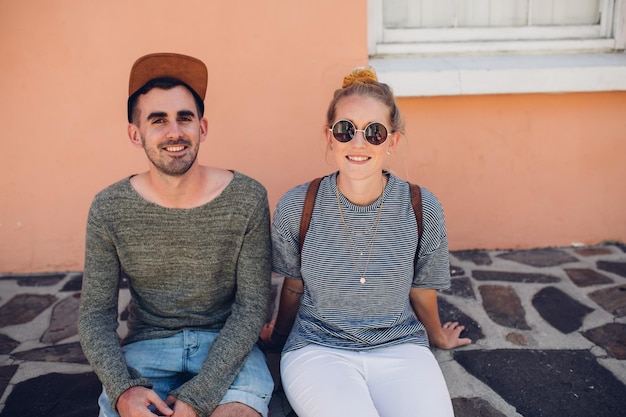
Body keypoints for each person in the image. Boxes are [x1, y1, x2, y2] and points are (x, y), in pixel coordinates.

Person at [261, 66, 471, 417]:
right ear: (329, 137)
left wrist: (436, 336)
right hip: (318, 350)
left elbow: (421, 289)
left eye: (374, 132)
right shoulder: (298, 206)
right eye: (346, 130)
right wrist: (279, 337)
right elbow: (294, 286)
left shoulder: (422, 207)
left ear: (392, 141)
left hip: (401, 348)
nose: (358, 143)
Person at [78, 53, 274, 417]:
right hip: (147, 348)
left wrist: (200, 396)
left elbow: (251, 309)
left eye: (185, 118)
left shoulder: (246, 198)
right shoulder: (109, 208)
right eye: (158, 120)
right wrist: (123, 389)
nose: (174, 132)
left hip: (227, 347)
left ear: (203, 127)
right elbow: (95, 315)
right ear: (135, 135)